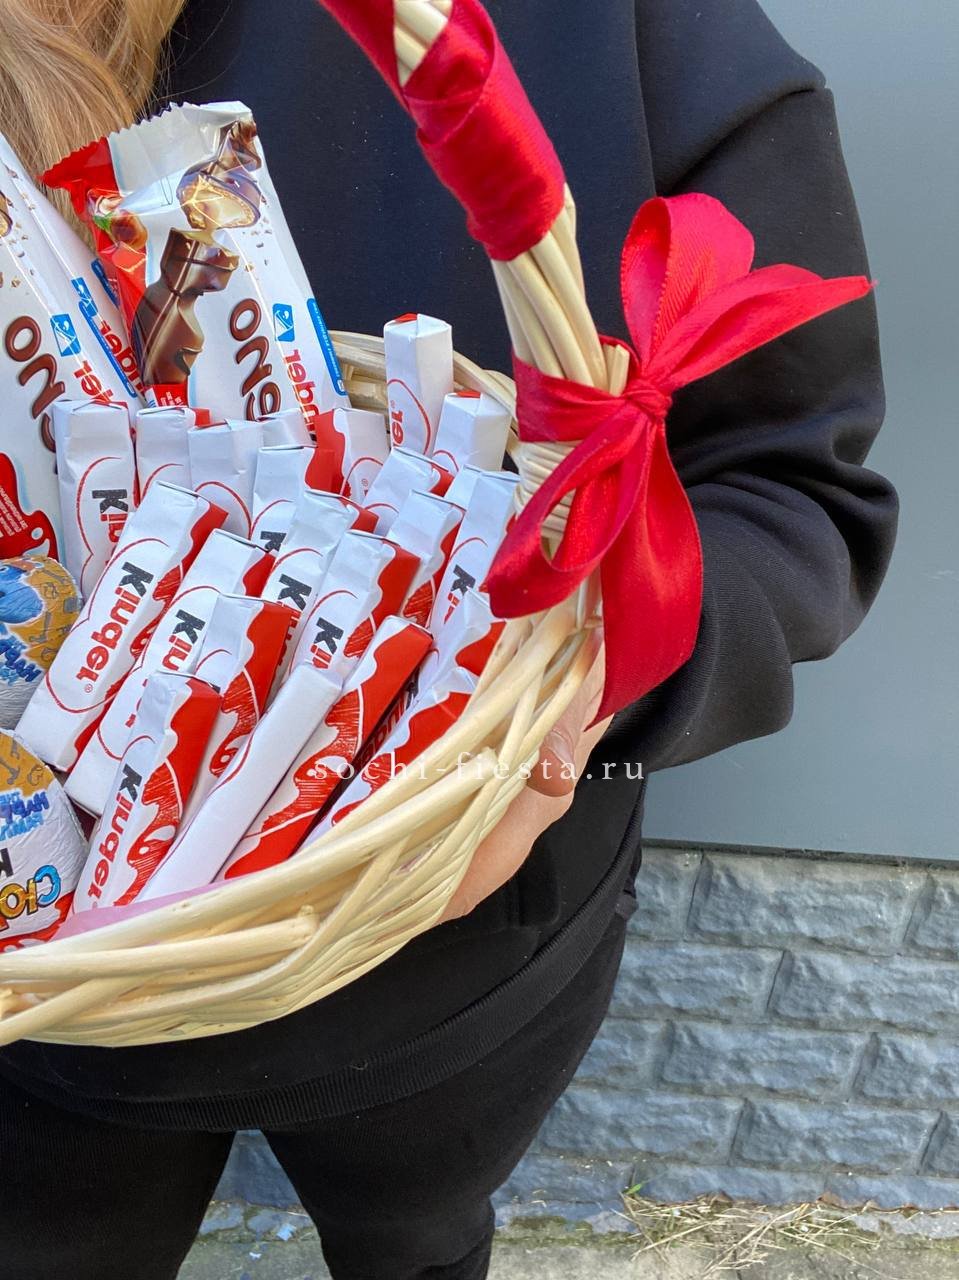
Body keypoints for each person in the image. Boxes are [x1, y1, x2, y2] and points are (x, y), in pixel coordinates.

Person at [0, 2, 898, 1277]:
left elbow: (791, 492)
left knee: (417, 1238)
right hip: (55, 1013)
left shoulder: (626, 29)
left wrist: (593, 684)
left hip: (463, 954)